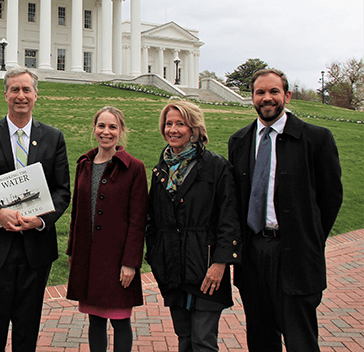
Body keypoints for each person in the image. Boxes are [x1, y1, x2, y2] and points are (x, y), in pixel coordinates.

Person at [228, 69, 343, 351]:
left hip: (295, 255)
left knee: (300, 339)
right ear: (252, 98)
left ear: (287, 96)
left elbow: (330, 198)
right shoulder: (240, 141)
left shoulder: (315, 139)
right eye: (260, 92)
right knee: (260, 338)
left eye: (274, 92)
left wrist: (310, 239)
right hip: (254, 255)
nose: (267, 98)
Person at [0, 66, 71, 352]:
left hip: (35, 250)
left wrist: (41, 220)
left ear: (36, 95)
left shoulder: (53, 138)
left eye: (26, 90)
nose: (21, 96)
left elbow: (62, 191)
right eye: (15, 90)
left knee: (27, 327)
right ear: (5, 94)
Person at [146, 99, 241, 352]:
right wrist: (156, 256)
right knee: (185, 338)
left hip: (205, 267)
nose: (173, 130)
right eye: (169, 124)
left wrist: (220, 263)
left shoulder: (216, 166)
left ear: (194, 129)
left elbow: (228, 218)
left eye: (181, 124)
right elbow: (152, 220)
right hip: (173, 268)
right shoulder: (161, 171)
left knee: (202, 341)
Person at [65, 106, 147, 352]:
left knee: (120, 320)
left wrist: (131, 262)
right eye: (101, 126)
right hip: (88, 257)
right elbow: (77, 211)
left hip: (117, 260)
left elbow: (138, 219)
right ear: (94, 129)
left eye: (112, 127)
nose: (106, 132)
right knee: (95, 320)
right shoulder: (84, 164)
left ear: (121, 131)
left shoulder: (134, 168)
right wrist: (72, 251)